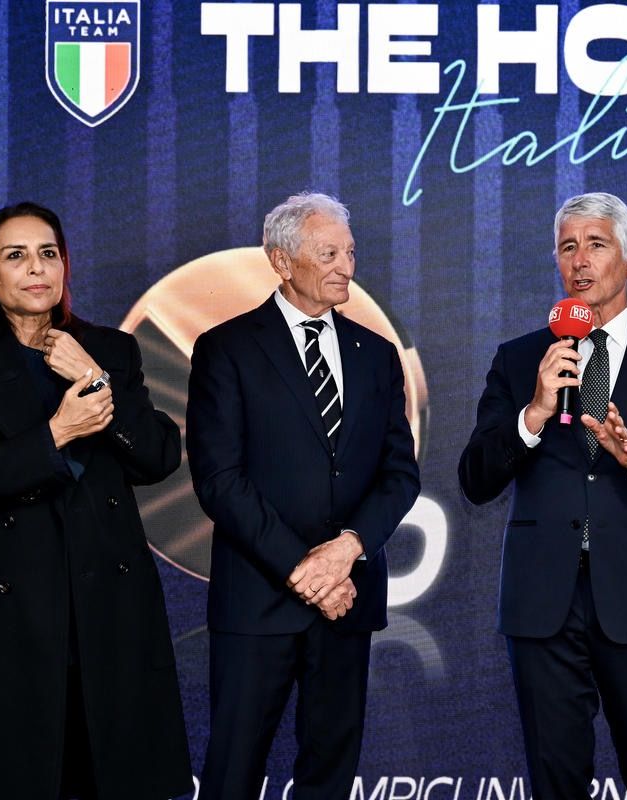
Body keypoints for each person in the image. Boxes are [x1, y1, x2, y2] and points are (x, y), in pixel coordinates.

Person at [458, 192, 627, 800]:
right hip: (542, 604)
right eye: (568, 247)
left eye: (596, 245)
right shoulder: (520, 359)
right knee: (555, 783)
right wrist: (533, 413)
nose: (580, 261)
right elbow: (475, 479)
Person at [0, 202, 192, 800]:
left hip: (108, 608)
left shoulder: (109, 350)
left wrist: (94, 377)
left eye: (48, 254)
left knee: (111, 778)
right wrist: (57, 433)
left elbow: (156, 457)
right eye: (15, 256)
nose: (36, 268)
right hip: (10, 614)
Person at [187, 192, 420, 800]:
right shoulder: (227, 348)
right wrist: (305, 570)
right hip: (258, 600)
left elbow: (400, 474)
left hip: (348, 602)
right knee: (233, 770)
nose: (346, 266)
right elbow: (220, 480)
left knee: (330, 774)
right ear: (282, 261)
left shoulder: (377, 355)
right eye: (329, 253)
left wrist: (346, 549)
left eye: (350, 252)